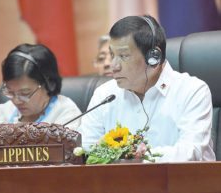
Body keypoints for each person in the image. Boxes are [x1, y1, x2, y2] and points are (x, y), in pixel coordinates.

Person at [80, 15, 215, 162]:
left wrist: (136, 157)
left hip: (184, 183)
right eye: (113, 55)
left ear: (153, 57)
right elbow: (86, 149)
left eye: (124, 56)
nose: (114, 66)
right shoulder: (104, 94)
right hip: (118, 184)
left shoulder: (192, 91)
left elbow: (190, 152)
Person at [0, 44, 81, 130]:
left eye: (25, 93)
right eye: (10, 92)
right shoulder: (2, 113)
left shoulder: (66, 114)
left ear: (49, 84)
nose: (16, 101)